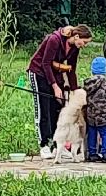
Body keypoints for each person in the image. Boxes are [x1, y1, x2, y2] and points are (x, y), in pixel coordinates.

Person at [27, 23, 92, 158]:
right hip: (39, 72)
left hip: (54, 74)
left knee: (57, 109)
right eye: (84, 42)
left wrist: (74, 91)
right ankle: (44, 144)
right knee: (43, 108)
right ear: (77, 36)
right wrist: (55, 86)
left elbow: (71, 69)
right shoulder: (54, 39)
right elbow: (45, 63)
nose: (84, 45)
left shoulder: (75, 47)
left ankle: (58, 146)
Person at [83, 56, 106, 162]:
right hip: (103, 114)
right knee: (105, 133)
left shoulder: (87, 83)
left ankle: (92, 153)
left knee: (92, 133)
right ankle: (105, 153)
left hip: (91, 114)